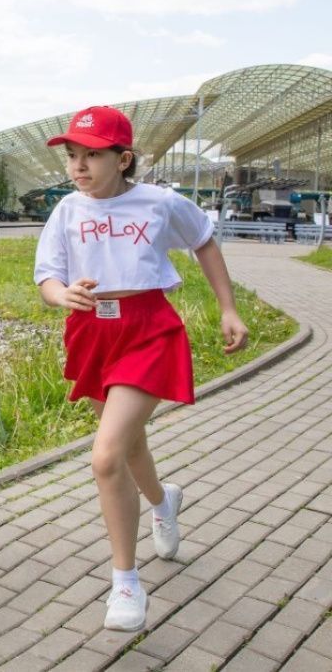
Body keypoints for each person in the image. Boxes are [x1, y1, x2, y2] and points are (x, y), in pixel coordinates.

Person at [33, 106, 249, 631]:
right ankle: (162, 500)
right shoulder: (66, 211)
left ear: (123, 158)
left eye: (92, 154)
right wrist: (64, 296)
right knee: (129, 445)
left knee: (106, 457)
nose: (78, 165)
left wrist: (227, 307)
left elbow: (203, 241)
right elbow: (47, 279)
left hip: (148, 328)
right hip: (93, 332)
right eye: (72, 155)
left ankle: (126, 582)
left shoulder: (159, 202)